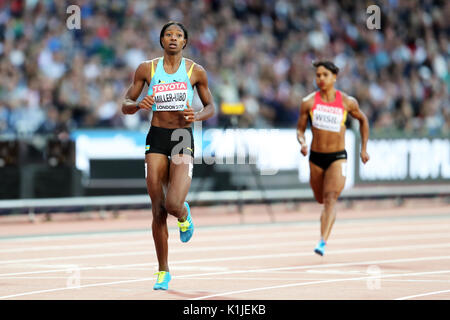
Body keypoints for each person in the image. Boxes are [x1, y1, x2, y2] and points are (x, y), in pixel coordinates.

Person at [121, 21, 215, 290]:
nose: (173, 39)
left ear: (185, 42)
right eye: (168, 35)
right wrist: (139, 104)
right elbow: (125, 104)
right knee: (157, 206)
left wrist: (196, 115)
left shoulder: (195, 71)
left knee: (173, 204)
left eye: (179, 35)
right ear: (161, 40)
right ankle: (163, 270)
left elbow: (211, 106)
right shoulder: (146, 69)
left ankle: (184, 215)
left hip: (182, 137)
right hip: (157, 137)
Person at [296, 60, 370, 256]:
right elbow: (300, 129)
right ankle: (323, 234)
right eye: (318, 75)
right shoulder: (308, 102)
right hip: (316, 157)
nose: (320, 78)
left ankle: (322, 241)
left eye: (325, 75)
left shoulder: (347, 102)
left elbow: (363, 120)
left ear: (334, 77)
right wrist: (302, 142)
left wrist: (364, 149)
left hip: (338, 157)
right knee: (320, 198)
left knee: (330, 199)